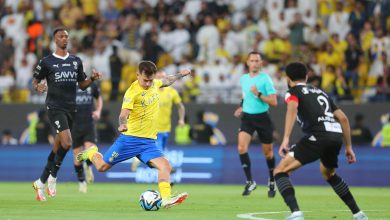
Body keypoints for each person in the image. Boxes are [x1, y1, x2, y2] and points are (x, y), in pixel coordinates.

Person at [77, 61, 190, 208]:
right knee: (101, 167)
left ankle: (166, 199)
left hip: (149, 143)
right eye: (145, 80)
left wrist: (181, 74)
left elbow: (167, 80)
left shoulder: (155, 84)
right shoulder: (132, 92)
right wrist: (122, 124)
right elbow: (123, 114)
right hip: (130, 140)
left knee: (166, 166)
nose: (148, 84)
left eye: (150, 80)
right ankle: (92, 153)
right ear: (138, 75)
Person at [274, 62, 367, 220]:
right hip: (336, 135)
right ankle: (358, 214)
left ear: (288, 79)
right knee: (328, 173)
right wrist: (349, 147)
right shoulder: (321, 93)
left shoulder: (292, 91)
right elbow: (343, 119)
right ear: (307, 76)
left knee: (280, 171)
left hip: (318, 135)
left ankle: (296, 213)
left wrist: (286, 139)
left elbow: (292, 108)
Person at [32, 27, 102, 202]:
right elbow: (36, 80)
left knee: (58, 146)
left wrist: (92, 79)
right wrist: (38, 86)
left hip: (72, 108)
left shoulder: (75, 60)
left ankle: (40, 182)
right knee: (68, 142)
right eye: (61, 36)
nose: (64, 39)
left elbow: (82, 84)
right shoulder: (47, 61)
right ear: (55, 40)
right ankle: (53, 176)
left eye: (66, 36)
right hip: (55, 107)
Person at [233, 51, 278, 197]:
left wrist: (258, 94)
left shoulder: (266, 79)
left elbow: (274, 102)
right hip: (248, 118)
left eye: (257, 61)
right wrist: (241, 105)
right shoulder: (243, 79)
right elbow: (245, 95)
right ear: (247, 62)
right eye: (252, 60)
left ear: (261, 63)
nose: (255, 63)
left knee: (268, 153)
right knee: (241, 147)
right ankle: (250, 181)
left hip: (262, 118)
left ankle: (272, 180)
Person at [131, 70, 185, 171]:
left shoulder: (172, 92)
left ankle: (138, 158)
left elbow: (180, 106)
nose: (161, 79)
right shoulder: (149, 91)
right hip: (154, 128)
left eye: (163, 77)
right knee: (158, 153)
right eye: (159, 77)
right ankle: (168, 173)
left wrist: (181, 119)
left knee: (159, 153)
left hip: (166, 128)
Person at [71, 82, 103, 193]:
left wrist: (98, 111)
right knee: (77, 157)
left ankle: (88, 166)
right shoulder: (69, 85)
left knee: (91, 148)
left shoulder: (92, 85)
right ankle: (81, 182)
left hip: (89, 124)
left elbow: (99, 98)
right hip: (74, 125)